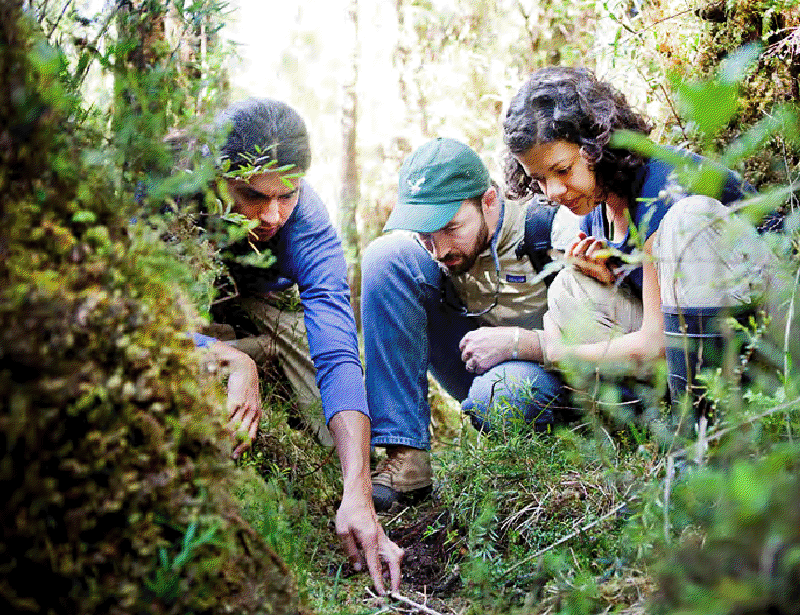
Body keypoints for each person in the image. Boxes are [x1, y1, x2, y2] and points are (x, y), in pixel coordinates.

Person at [192, 98, 402, 593]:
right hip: (190, 300)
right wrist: (228, 358)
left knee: (337, 454)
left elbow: (336, 349)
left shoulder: (306, 220)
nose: (272, 215)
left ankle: (258, 350)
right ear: (216, 179)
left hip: (263, 301)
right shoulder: (169, 192)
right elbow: (134, 313)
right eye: (252, 196)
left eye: (286, 195)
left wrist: (358, 489)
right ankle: (238, 348)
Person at [502, 66, 779, 436]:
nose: (552, 192)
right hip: (704, 350)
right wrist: (613, 276)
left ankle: (703, 431)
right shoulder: (595, 209)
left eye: (562, 170)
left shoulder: (661, 187)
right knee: (570, 288)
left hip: (775, 328)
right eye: (539, 179)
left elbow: (656, 343)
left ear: (596, 145)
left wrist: (559, 353)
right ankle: (657, 423)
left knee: (687, 219)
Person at [361, 138, 577, 512]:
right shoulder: (436, 250)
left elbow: (606, 342)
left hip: (556, 375)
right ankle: (406, 457)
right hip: (476, 359)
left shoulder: (548, 231)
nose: (439, 249)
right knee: (386, 256)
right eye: (426, 233)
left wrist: (518, 343)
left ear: (489, 201)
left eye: (451, 227)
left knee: (499, 397)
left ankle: (566, 446)